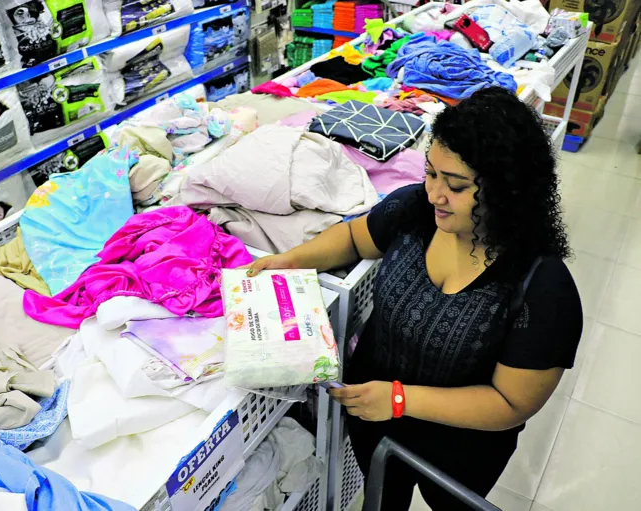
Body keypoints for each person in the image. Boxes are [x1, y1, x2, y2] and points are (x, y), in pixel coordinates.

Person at [244, 87, 582, 510]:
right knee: (384, 494)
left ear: (507, 192)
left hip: (461, 448)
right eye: (431, 173)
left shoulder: (543, 290)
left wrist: (401, 399)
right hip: (375, 418)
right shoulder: (415, 213)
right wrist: (292, 259)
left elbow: (511, 402)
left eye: (456, 186)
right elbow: (353, 236)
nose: (435, 194)